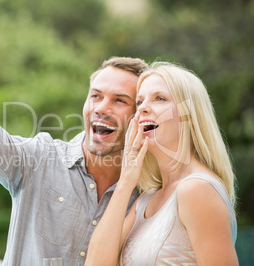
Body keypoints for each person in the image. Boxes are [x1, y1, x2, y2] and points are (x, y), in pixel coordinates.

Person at [0, 30, 148, 265]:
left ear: (141, 115)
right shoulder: (40, 159)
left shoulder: (149, 194)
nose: (101, 108)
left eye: (120, 100)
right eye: (95, 96)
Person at [85, 62, 238, 265]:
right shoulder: (146, 200)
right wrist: (125, 182)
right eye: (139, 102)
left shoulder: (198, 189)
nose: (143, 109)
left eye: (160, 98)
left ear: (189, 116)